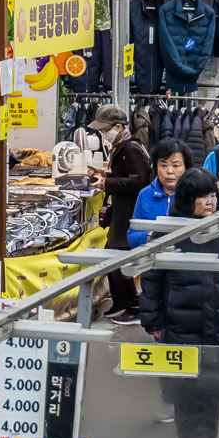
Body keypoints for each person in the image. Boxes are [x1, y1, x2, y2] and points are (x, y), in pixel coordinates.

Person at [140, 169, 219, 438]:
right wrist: (153, 321)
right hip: (181, 326)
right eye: (203, 196)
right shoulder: (168, 232)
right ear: (188, 198)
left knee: (212, 390)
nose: (210, 202)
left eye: (213, 195)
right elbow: (152, 280)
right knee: (186, 393)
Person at [90, 105, 152, 325]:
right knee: (112, 256)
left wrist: (107, 182)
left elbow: (139, 180)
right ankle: (120, 302)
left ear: (118, 127)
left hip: (129, 212)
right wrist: (104, 174)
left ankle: (133, 306)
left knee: (119, 257)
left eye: (105, 129)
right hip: (121, 211)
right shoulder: (121, 146)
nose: (102, 134)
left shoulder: (131, 147)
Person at [127, 139, 187, 248]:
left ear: (185, 167)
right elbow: (132, 236)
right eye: (163, 165)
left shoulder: (193, 195)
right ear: (156, 167)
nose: (169, 171)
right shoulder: (145, 194)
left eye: (176, 166)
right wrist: (152, 236)